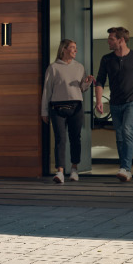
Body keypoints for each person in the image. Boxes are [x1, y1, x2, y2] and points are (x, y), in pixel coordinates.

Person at [93, 26, 133, 183]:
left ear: (121, 40)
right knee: (119, 135)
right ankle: (124, 168)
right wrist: (98, 101)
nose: (108, 42)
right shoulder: (106, 59)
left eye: (111, 39)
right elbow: (100, 80)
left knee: (126, 131)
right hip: (115, 103)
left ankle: (126, 168)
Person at [42, 38, 92, 183]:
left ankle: (74, 170)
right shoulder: (53, 68)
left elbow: (81, 89)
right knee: (60, 139)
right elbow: (47, 90)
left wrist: (87, 83)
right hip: (57, 107)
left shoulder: (79, 67)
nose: (75, 50)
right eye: (72, 47)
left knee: (75, 138)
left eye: (76, 48)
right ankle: (60, 172)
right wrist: (44, 111)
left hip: (76, 106)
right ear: (63, 49)